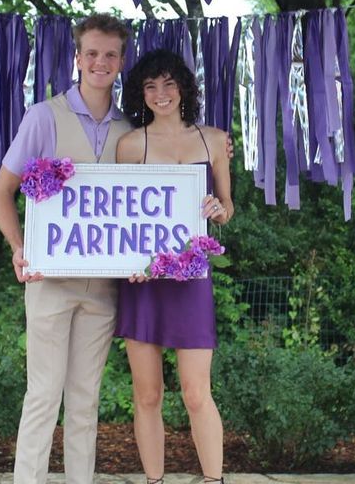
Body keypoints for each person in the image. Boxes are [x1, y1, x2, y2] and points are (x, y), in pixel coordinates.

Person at [0, 13, 133, 484]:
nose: (100, 62)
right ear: (77, 57)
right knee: (43, 396)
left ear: (121, 61)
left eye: (110, 54)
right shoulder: (43, 116)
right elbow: (2, 192)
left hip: (103, 288)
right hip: (50, 282)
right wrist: (19, 246)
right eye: (91, 53)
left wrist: (217, 150)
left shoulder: (130, 130)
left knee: (85, 402)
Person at [114, 48, 234, 484]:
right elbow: (120, 216)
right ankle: (154, 481)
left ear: (183, 86)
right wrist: (127, 261)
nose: (160, 93)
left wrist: (219, 210)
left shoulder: (215, 140)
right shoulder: (130, 145)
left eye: (168, 83)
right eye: (150, 86)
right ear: (140, 94)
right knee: (147, 395)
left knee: (197, 393)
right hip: (143, 281)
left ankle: (214, 480)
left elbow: (228, 208)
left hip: (191, 279)